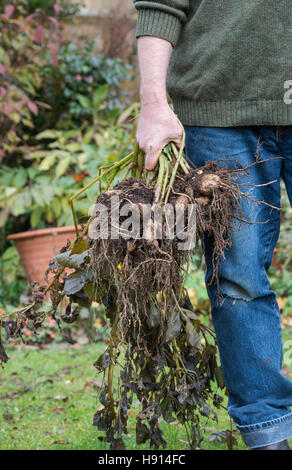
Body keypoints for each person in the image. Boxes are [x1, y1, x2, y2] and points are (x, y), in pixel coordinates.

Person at [133, 0, 292, 450]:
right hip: (216, 110)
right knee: (238, 275)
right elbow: (160, 5)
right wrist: (153, 103)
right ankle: (268, 434)